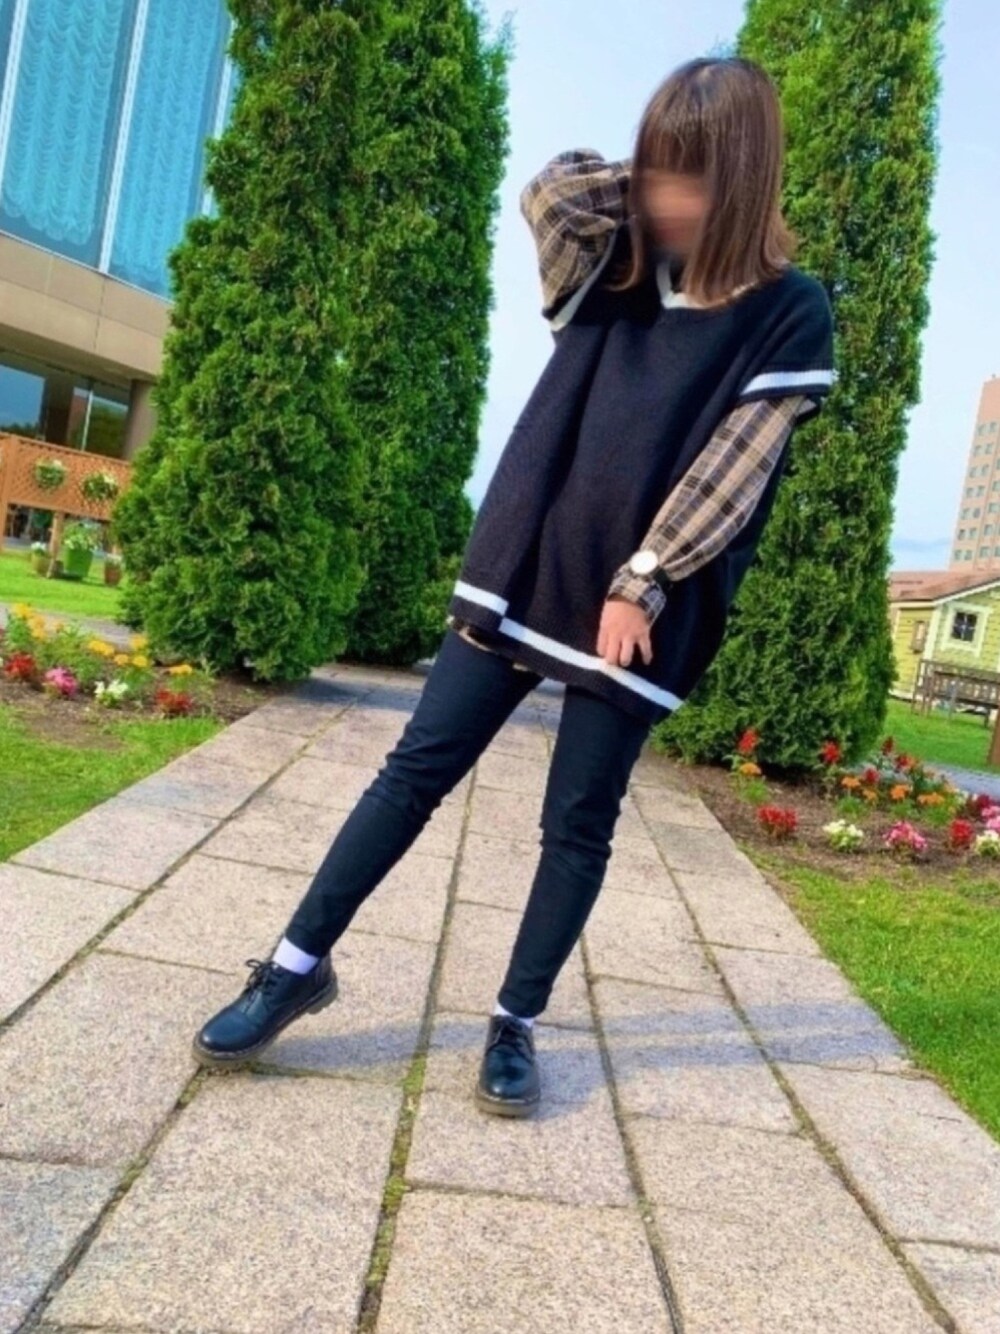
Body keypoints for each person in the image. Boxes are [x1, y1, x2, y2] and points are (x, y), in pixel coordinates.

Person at [192, 57, 834, 1118]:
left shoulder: (790, 312)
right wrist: (654, 171)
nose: (661, 198)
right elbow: (550, 190)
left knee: (577, 821)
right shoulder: (615, 257)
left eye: (689, 178)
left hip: (644, 605)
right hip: (526, 561)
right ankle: (294, 966)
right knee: (412, 770)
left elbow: (736, 467)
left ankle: (514, 1021)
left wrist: (644, 578)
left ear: (743, 178)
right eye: (656, 171)